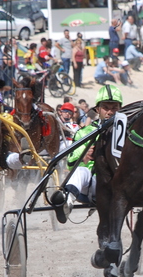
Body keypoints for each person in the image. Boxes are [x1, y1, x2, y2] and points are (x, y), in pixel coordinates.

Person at [50, 84, 123, 223]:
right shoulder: (84, 132)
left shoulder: (127, 132)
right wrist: (83, 156)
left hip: (120, 186)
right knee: (81, 171)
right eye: (106, 108)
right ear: (98, 109)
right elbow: (70, 162)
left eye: (114, 108)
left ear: (120, 109)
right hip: (93, 185)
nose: (110, 112)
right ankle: (66, 201)